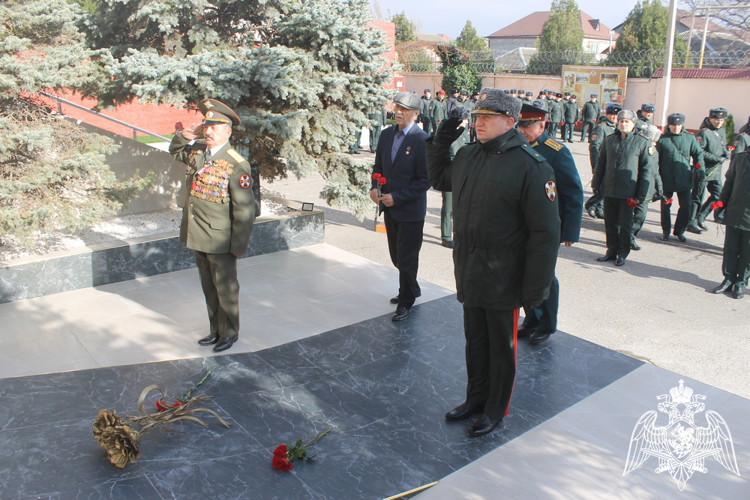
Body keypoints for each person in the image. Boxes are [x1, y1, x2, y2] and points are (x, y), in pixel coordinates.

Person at [426, 88, 560, 437]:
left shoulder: (532, 166)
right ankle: (475, 398)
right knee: (476, 340)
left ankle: (495, 410)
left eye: (487, 117)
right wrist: (443, 138)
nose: (478, 122)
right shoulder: (471, 155)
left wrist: (535, 289)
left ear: (510, 122)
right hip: (470, 267)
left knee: (502, 347)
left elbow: (545, 234)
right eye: (477, 116)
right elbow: (440, 177)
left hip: (505, 273)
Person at [169, 99, 256, 353]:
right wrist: (181, 136)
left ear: (228, 132)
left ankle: (230, 332)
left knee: (225, 287)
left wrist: (238, 245)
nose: (208, 131)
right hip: (197, 233)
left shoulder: (236, 163)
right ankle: (215, 330)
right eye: (206, 125)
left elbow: (244, 209)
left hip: (221, 238)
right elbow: (176, 151)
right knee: (208, 285)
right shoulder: (197, 152)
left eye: (215, 127)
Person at [516, 101, 583, 345]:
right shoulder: (517, 146)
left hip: (548, 226)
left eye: (527, 126)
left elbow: (573, 192)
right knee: (523, 273)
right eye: (519, 125)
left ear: (542, 124)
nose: (522, 130)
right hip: (521, 225)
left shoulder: (555, 150)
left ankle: (547, 324)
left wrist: (570, 230)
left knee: (544, 275)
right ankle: (531, 320)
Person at [371, 92, 430, 322]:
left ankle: (406, 300)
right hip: (389, 207)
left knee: (407, 258)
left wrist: (398, 197)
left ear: (415, 113)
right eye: (397, 106)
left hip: (410, 210)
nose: (398, 111)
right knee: (396, 257)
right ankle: (412, 289)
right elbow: (378, 166)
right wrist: (374, 188)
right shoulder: (386, 135)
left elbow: (425, 180)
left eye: (404, 109)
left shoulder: (421, 140)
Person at [592, 110, 652, 267]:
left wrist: (641, 193)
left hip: (629, 191)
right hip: (610, 188)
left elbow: (646, 170)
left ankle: (623, 253)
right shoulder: (609, 140)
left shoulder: (642, 142)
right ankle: (611, 250)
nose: (624, 124)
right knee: (610, 222)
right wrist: (596, 183)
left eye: (627, 121)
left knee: (625, 225)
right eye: (621, 121)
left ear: (633, 124)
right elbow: (601, 163)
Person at [656, 113, 704, 242]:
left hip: (684, 178)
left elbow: (698, 153)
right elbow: (656, 160)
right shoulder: (663, 139)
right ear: (669, 125)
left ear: (682, 125)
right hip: (666, 179)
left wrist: (700, 169)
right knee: (666, 205)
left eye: (678, 125)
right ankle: (666, 231)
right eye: (673, 125)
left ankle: (680, 231)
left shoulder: (689, 138)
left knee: (686, 205)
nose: (676, 127)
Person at [711, 150, 750, 299]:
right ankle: (728, 279)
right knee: (730, 249)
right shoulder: (740, 158)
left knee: (747, 254)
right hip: (734, 212)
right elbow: (729, 182)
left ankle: (740, 282)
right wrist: (722, 203)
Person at [688, 107, 730, 234]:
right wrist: (716, 158)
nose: (718, 122)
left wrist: (726, 152)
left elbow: (722, 145)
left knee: (718, 195)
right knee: (697, 197)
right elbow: (698, 151)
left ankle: (701, 216)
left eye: (721, 120)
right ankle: (691, 222)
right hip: (704, 170)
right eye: (716, 119)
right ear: (710, 118)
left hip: (716, 171)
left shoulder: (721, 131)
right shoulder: (703, 133)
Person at [440, 105, 472, 249]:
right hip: (450, 174)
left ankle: (456, 233)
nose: (467, 121)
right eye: (465, 119)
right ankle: (446, 237)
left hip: (463, 173)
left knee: (459, 206)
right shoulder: (447, 134)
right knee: (448, 207)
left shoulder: (464, 133)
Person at [584, 103, 622, 219]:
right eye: (611, 115)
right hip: (603, 162)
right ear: (607, 114)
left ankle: (600, 209)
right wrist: (596, 165)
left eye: (616, 115)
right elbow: (594, 147)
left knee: (607, 186)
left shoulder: (618, 128)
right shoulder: (602, 127)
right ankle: (591, 205)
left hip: (613, 163)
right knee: (602, 186)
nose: (614, 117)